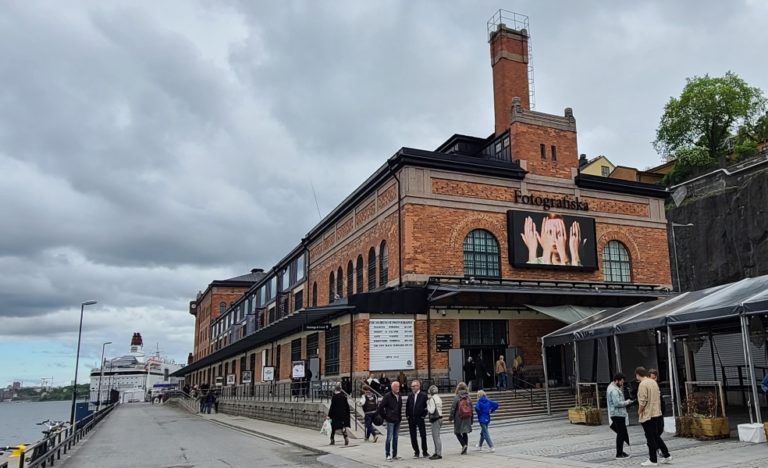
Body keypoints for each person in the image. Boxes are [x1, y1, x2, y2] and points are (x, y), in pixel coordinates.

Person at [636, 367, 671, 466]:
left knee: (650, 437)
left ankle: (653, 459)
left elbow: (643, 400)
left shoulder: (643, 384)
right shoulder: (653, 382)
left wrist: (639, 411)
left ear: (638, 374)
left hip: (647, 414)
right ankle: (666, 454)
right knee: (655, 435)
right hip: (656, 413)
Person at [607, 372, 633, 460]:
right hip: (617, 414)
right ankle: (619, 453)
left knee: (621, 433)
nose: (622, 384)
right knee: (621, 433)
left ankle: (621, 451)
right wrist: (627, 402)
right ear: (617, 380)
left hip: (617, 414)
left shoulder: (612, 387)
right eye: (621, 382)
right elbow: (617, 403)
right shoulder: (614, 390)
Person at [378, 381, 403, 461]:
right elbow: (381, 407)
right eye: (396, 387)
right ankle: (387, 454)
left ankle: (395, 454)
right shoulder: (387, 396)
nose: (397, 388)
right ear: (392, 387)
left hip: (397, 419)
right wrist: (385, 416)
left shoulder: (399, 395)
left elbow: (400, 407)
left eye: (398, 386)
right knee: (389, 437)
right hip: (390, 420)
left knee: (396, 437)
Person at [406, 380, 429, 459]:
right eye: (412, 386)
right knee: (413, 436)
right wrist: (407, 416)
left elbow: (427, 407)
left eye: (414, 386)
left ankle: (425, 451)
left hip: (420, 418)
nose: (412, 388)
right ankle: (416, 451)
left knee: (423, 435)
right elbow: (407, 406)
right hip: (411, 418)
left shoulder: (423, 395)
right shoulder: (410, 395)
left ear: (418, 386)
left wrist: (423, 415)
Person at [449, 381, 473, 455]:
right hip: (467, 417)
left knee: (457, 432)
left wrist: (451, 417)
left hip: (459, 417)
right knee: (465, 432)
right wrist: (472, 419)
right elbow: (472, 409)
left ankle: (463, 445)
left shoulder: (457, 397)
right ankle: (465, 448)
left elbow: (453, 408)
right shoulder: (468, 397)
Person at [426, 385, 443, 460]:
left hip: (435, 419)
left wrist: (427, 405)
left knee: (436, 437)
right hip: (440, 418)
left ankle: (438, 453)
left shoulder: (432, 399)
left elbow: (431, 410)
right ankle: (436, 452)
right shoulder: (439, 398)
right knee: (437, 436)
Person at [648, 368, 666, 440]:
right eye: (653, 378)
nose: (654, 379)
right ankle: (654, 444)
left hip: (660, 410)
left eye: (655, 378)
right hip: (653, 411)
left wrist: (663, 408)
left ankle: (654, 443)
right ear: (649, 377)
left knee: (660, 428)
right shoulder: (648, 386)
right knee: (656, 430)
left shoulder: (656, 385)